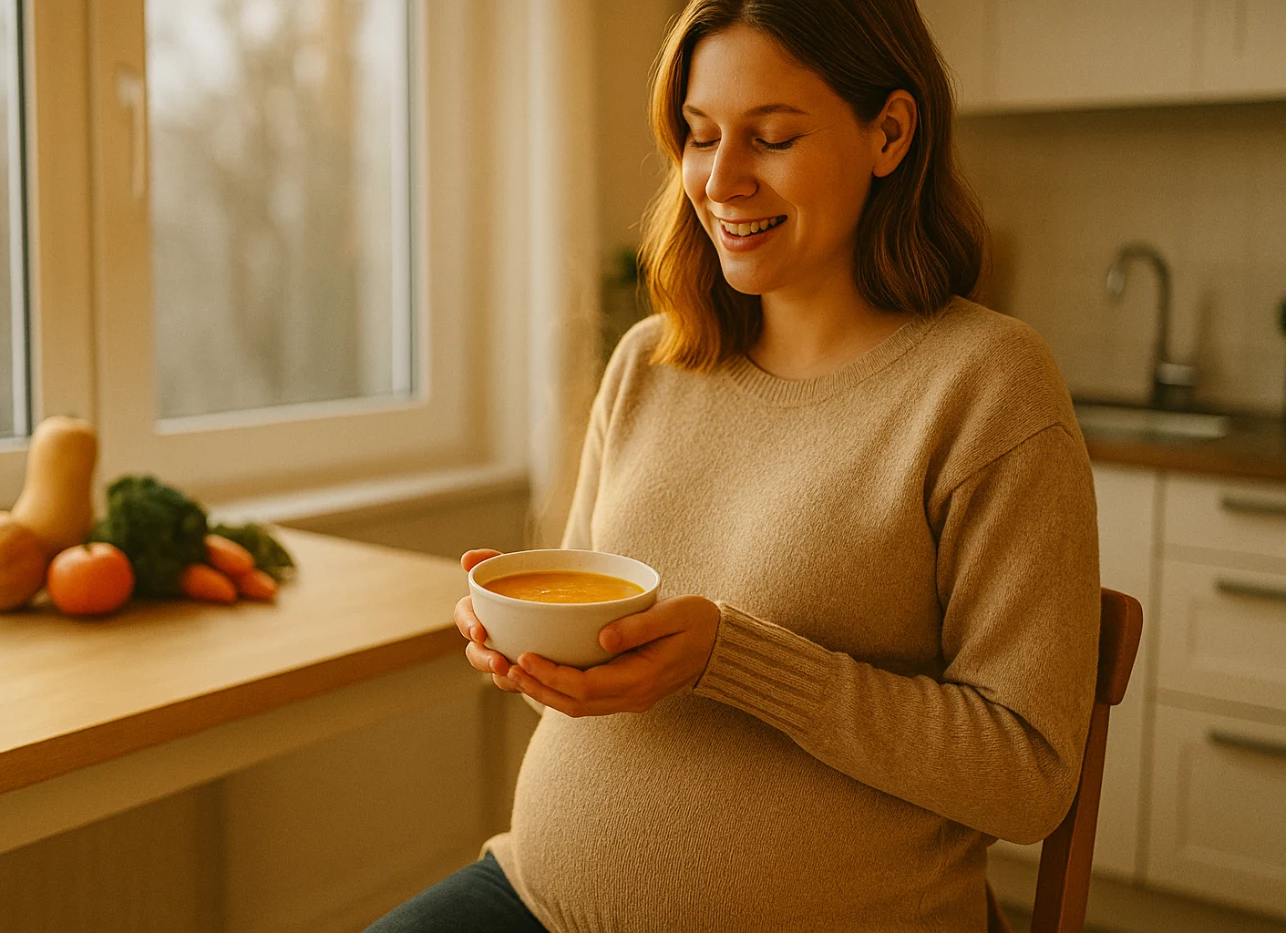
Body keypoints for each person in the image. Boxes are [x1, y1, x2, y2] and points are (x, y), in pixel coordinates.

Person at [364, 0, 1099, 930]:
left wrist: (733, 656)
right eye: (700, 135)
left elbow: (1027, 771)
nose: (721, 180)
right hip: (537, 897)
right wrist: (530, 645)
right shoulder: (647, 361)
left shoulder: (987, 385)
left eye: (773, 137)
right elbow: (598, 631)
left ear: (889, 132)